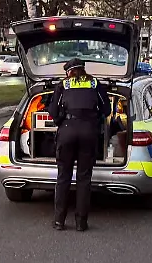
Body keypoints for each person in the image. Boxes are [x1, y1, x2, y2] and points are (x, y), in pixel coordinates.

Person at [47, 58, 110, 232]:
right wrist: (94, 118)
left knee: (63, 177)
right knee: (84, 179)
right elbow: (107, 110)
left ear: (69, 72)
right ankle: (81, 222)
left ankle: (59, 221)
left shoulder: (64, 85)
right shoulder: (94, 83)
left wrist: (61, 119)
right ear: (83, 70)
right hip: (88, 132)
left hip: (67, 132)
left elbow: (53, 110)